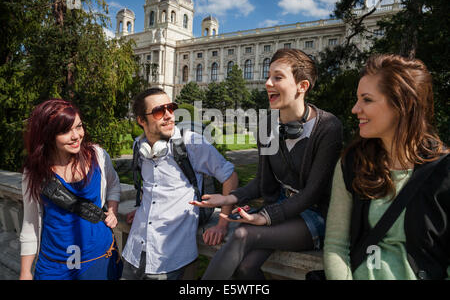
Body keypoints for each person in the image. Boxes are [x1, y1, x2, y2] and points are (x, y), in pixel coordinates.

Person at [191, 48, 343, 279]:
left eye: (278, 77)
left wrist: (266, 217)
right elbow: (263, 181)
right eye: (268, 75)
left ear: (302, 86)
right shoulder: (267, 124)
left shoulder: (328, 127)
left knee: (243, 234)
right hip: (281, 210)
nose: (267, 83)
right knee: (244, 268)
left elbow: (313, 192)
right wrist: (230, 198)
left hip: (315, 215)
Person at [323, 54, 450, 280]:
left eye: (367, 100)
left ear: (402, 105)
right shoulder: (351, 163)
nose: (355, 109)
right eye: (357, 99)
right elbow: (335, 245)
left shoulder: (444, 171)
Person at [121, 88, 238, 280]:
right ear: (142, 121)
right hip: (134, 249)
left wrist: (223, 223)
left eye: (171, 108)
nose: (168, 115)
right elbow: (153, 185)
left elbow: (230, 177)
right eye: (159, 111)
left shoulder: (191, 142)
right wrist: (145, 207)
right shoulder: (139, 147)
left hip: (168, 256)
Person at [19, 99, 122, 280]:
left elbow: (114, 185)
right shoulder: (34, 171)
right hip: (55, 265)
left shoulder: (97, 156)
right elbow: (30, 223)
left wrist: (112, 209)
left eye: (79, 126)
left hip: (100, 258)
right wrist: (25, 272)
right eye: (66, 131)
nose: (76, 136)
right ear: (48, 135)